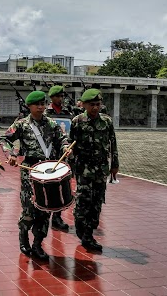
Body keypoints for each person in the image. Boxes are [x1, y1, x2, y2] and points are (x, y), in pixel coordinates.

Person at [4, 90, 71, 260]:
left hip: (49, 170)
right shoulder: (21, 124)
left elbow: (62, 139)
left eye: (43, 104)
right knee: (29, 209)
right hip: (30, 171)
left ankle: (38, 244)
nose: (41, 107)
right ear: (29, 107)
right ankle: (24, 238)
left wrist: (66, 148)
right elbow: (5, 139)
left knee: (45, 209)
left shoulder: (52, 124)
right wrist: (11, 154)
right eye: (37, 105)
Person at [70, 88, 119, 252]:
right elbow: (70, 145)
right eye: (92, 105)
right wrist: (70, 166)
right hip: (83, 170)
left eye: (98, 104)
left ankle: (88, 234)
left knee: (97, 203)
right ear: (84, 105)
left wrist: (115, 164)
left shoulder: (106, 122)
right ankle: (80, 227)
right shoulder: (77, 121)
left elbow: (113, 144)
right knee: (83, 201)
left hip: (101, 170)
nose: (96, 108)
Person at [44, 85, 72, 231]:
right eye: (57, 96)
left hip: (63, 152)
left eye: (62, 96)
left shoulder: (68, 112)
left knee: (60, 185)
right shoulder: (46, 112)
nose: (60, 99)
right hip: (47, 153)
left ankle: (57, 217)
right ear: (52, 97)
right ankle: (44, 215)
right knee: (47, 186)